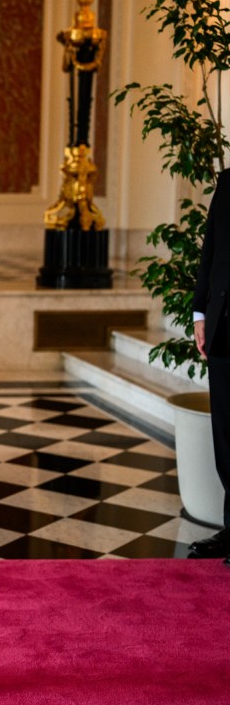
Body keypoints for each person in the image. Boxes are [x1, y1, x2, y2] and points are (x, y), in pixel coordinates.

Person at [190, 172, 230, 563]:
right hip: (225, 326)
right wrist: (201, 313)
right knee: (226, 436)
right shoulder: (229, 182)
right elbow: (211, 248)